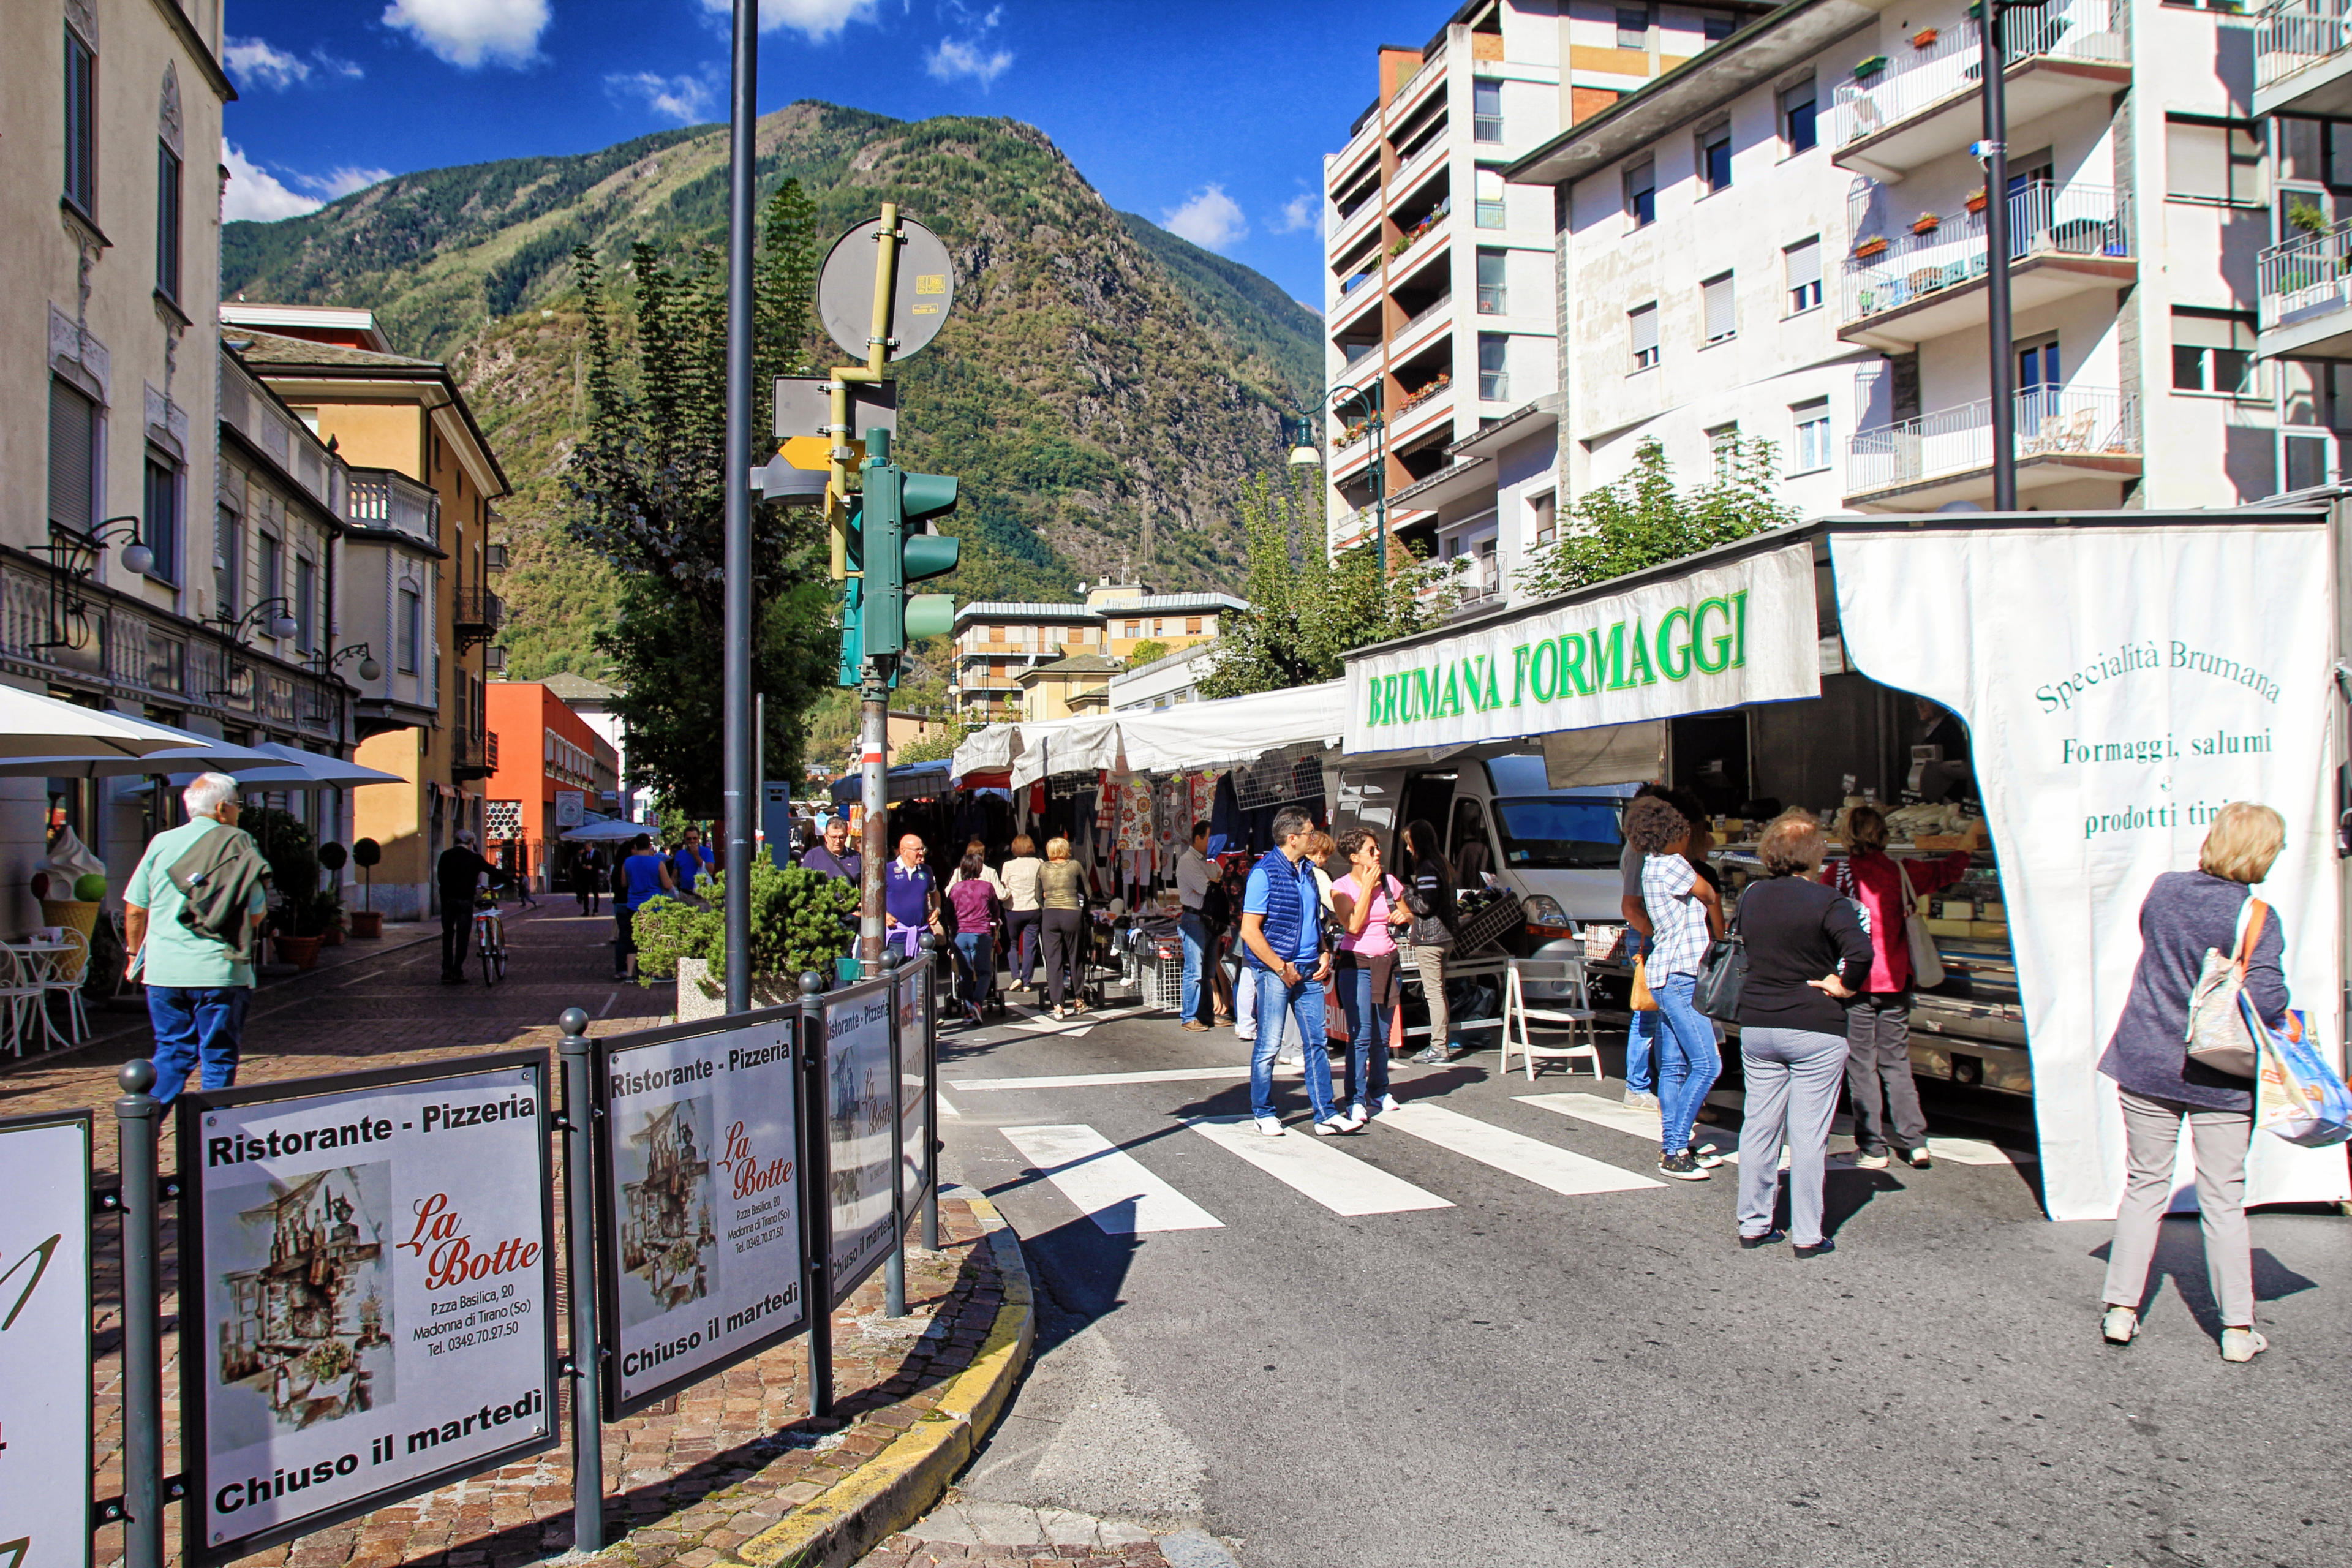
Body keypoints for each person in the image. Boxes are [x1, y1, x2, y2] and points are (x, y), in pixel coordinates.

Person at [2097, 801, 2289, 1363]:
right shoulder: (2257, 916)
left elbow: (2159, 953)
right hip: (2220, 1074)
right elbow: (2266, 1001)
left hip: (2145, 1058)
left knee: (2144, 1186)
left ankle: (2121, 1311)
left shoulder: (2164, 890)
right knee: (2223, 1199)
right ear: (2261, 852)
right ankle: (2236, 1329)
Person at [1733, 812, 1872, 1254]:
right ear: (1815, 854)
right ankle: (1808, 1234)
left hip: (1759, 1023)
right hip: (1815, 1026)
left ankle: (1753, 1224)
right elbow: (1861, 952)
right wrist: (1844, 986)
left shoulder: (1752, 896)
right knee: (1809, 1134)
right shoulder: (1828, 901)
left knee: (1759, 1127)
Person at [1829, 804, 1975, 1169]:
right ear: (1883, 834)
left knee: (1862, 1064)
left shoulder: (1837, 874)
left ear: (1847, 835)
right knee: (1896, 1062)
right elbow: (1949, 870)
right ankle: (1915, 1141)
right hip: (1896, 980)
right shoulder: (1902, 870)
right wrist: (1970, 840)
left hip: (1855, 983)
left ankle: (1873, 1147)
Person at [124, 773, 270, 1104]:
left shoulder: (160, 843)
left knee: (171, 1053)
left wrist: (133, 955)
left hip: (164, 972)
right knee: (218, 1056)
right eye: (238, 805)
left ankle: (145, 1124)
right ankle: (211, 1129)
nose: (239, 812)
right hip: (219, 971)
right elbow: (256, 913)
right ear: (222, 808)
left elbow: (135, 909)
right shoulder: (239, 843)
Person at [1626, 793, 1724, 1180]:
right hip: (1682, 974)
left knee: (1674, 1065)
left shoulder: (1651, 865)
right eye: (1684, 833)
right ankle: (1675, 1148)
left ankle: (1674, 1142)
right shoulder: (1674, 866)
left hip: (1665, 972)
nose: (1689, 840)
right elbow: (1710, 894)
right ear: (1671, 836)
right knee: (1708, 1063)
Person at [1241, 806, 1348, 1136]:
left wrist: (1324, 951)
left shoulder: (1308, 872)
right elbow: (1249, 930)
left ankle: (1325, 1113)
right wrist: (1279, 966)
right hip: (1277, 971)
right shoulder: (1264, 873)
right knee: (1269, 1044)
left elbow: (1314, 919)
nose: (1314, 838)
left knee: (1316, 1043)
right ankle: (1263, 1111)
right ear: (1292, 838)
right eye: (1310, 833)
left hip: (1308, 967)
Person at [1616, 783, 1703, 1112]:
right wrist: (1662, 931)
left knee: (1660, 1015)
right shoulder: (1640, 852)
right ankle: (1638, 1086)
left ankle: (1655, 1086)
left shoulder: (1646, 850)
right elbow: (1630, 908)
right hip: (1648, 937)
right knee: (1649, 1014)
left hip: (1652, 936)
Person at [1332, 828, 1411, 1123]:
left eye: (1378, 848)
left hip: (1388, 961)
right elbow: (1352, 925)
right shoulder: (1341, 887)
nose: (1378, 854)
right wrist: (1366, 887)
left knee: (1382, 1034)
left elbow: (1408, 913)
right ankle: (1355, 1098)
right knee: (1361, 1035)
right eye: (1371, 850)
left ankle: (1380, 1089)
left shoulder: (1390, 882)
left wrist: (1404, 916)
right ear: (1354, 858)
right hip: (1357, 964)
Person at [1398, 819, 1460, 1065]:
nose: (1407, 848)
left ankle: (1439, 1046)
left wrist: (1405, 894)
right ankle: (1440, 1043)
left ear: (1418, 842)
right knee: (1439, 991)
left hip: (1430, 939)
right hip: (1446, 937)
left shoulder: (1426, 867)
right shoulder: (1442, 863)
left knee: (1433, 993)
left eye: (1409, 843)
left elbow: (1425, 904)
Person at [437, 829, 507, 984]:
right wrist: (511, 880)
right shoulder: (474, 858)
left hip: (447, 900)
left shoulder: (445, 855)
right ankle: (457, 971)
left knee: (448, 934)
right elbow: (492, 870)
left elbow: (440, 878)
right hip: (465, 900)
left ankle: (446, 970)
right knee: (462, 936)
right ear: (471, 842)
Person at [946, 850, 1001, 1024]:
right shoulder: (987, 887)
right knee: (984, 972)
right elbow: (995, 909)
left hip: (960, 934)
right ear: (979, 869)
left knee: (965, 974)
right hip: (981, 934)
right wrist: (994, 921)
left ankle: (969, 1010)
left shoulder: (956, 889)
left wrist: (953, 928)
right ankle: (978, 1003)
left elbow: (949, 913)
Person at [1175, 820, 1218, 1033]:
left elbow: (1221, 881)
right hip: (1193, 920)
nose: (1213, 842)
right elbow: (1207, 888)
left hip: (1210, 919)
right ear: (1198, 838)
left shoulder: (1211, 860)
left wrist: (1215, 882)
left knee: (1208, 971)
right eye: (1210, 837)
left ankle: (1206, 1016)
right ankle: (1189, 1017)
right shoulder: (1187, 861)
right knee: (1194, 971)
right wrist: (1214, 882)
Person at [616, 832, 676, 982]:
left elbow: (623, 883)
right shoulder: (658, 863)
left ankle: (630, 974)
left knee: (632, 940)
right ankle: (654, 973)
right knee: (654, 938)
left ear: (635, 846)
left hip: (633, 906)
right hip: (654, 906)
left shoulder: (628, 862)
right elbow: (668, 885)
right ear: (650, 846)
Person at [1038, 837, 1087, 1019]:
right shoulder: (1075, 866)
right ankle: (1079, 999)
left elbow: (1037, 895)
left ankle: (1058, 1005)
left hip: (1051, 914)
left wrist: (1046, 908)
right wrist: (1084, 912)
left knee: (1053, 960)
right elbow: (1087, 892)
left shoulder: (1043, 868)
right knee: (1076, 957)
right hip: (1072, 912)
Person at [884, 832, 942, 961]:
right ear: (904, 851)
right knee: (896, 973)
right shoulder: (887, 870)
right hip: (896, 938)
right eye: (917, 850)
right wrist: (883, 914)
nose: (922, 853)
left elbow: (935, 893)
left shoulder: (927, 871)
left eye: (923, 849)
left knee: (922, 973)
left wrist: (937, 909)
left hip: (922, 939)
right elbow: (872, 899)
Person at [1000, 834, 1044, 992]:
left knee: (1012, 944)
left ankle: (1016, 977)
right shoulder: (1040, 863)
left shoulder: (1008, 865)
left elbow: (1004, 887)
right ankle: (1027, 982)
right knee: (1030, 946)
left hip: (1014, 908)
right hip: (1034, 908)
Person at [801, 816, 862, 882]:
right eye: (834, 837)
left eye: (841, 837)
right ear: (826, 837)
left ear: (846, 836)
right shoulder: (813, 856)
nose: (838, 841)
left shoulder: (857, 858)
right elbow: (801, 883)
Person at [671, 826, 715, 899]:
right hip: (685, 894)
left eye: (695, 838)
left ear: (698, 838)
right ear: (685, 840)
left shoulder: (707, 852)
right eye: (689, 839)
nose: (692, 841)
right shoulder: (680, 854)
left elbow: (710, 871)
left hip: (702, 896)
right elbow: (675, 876)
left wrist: (696, 856)